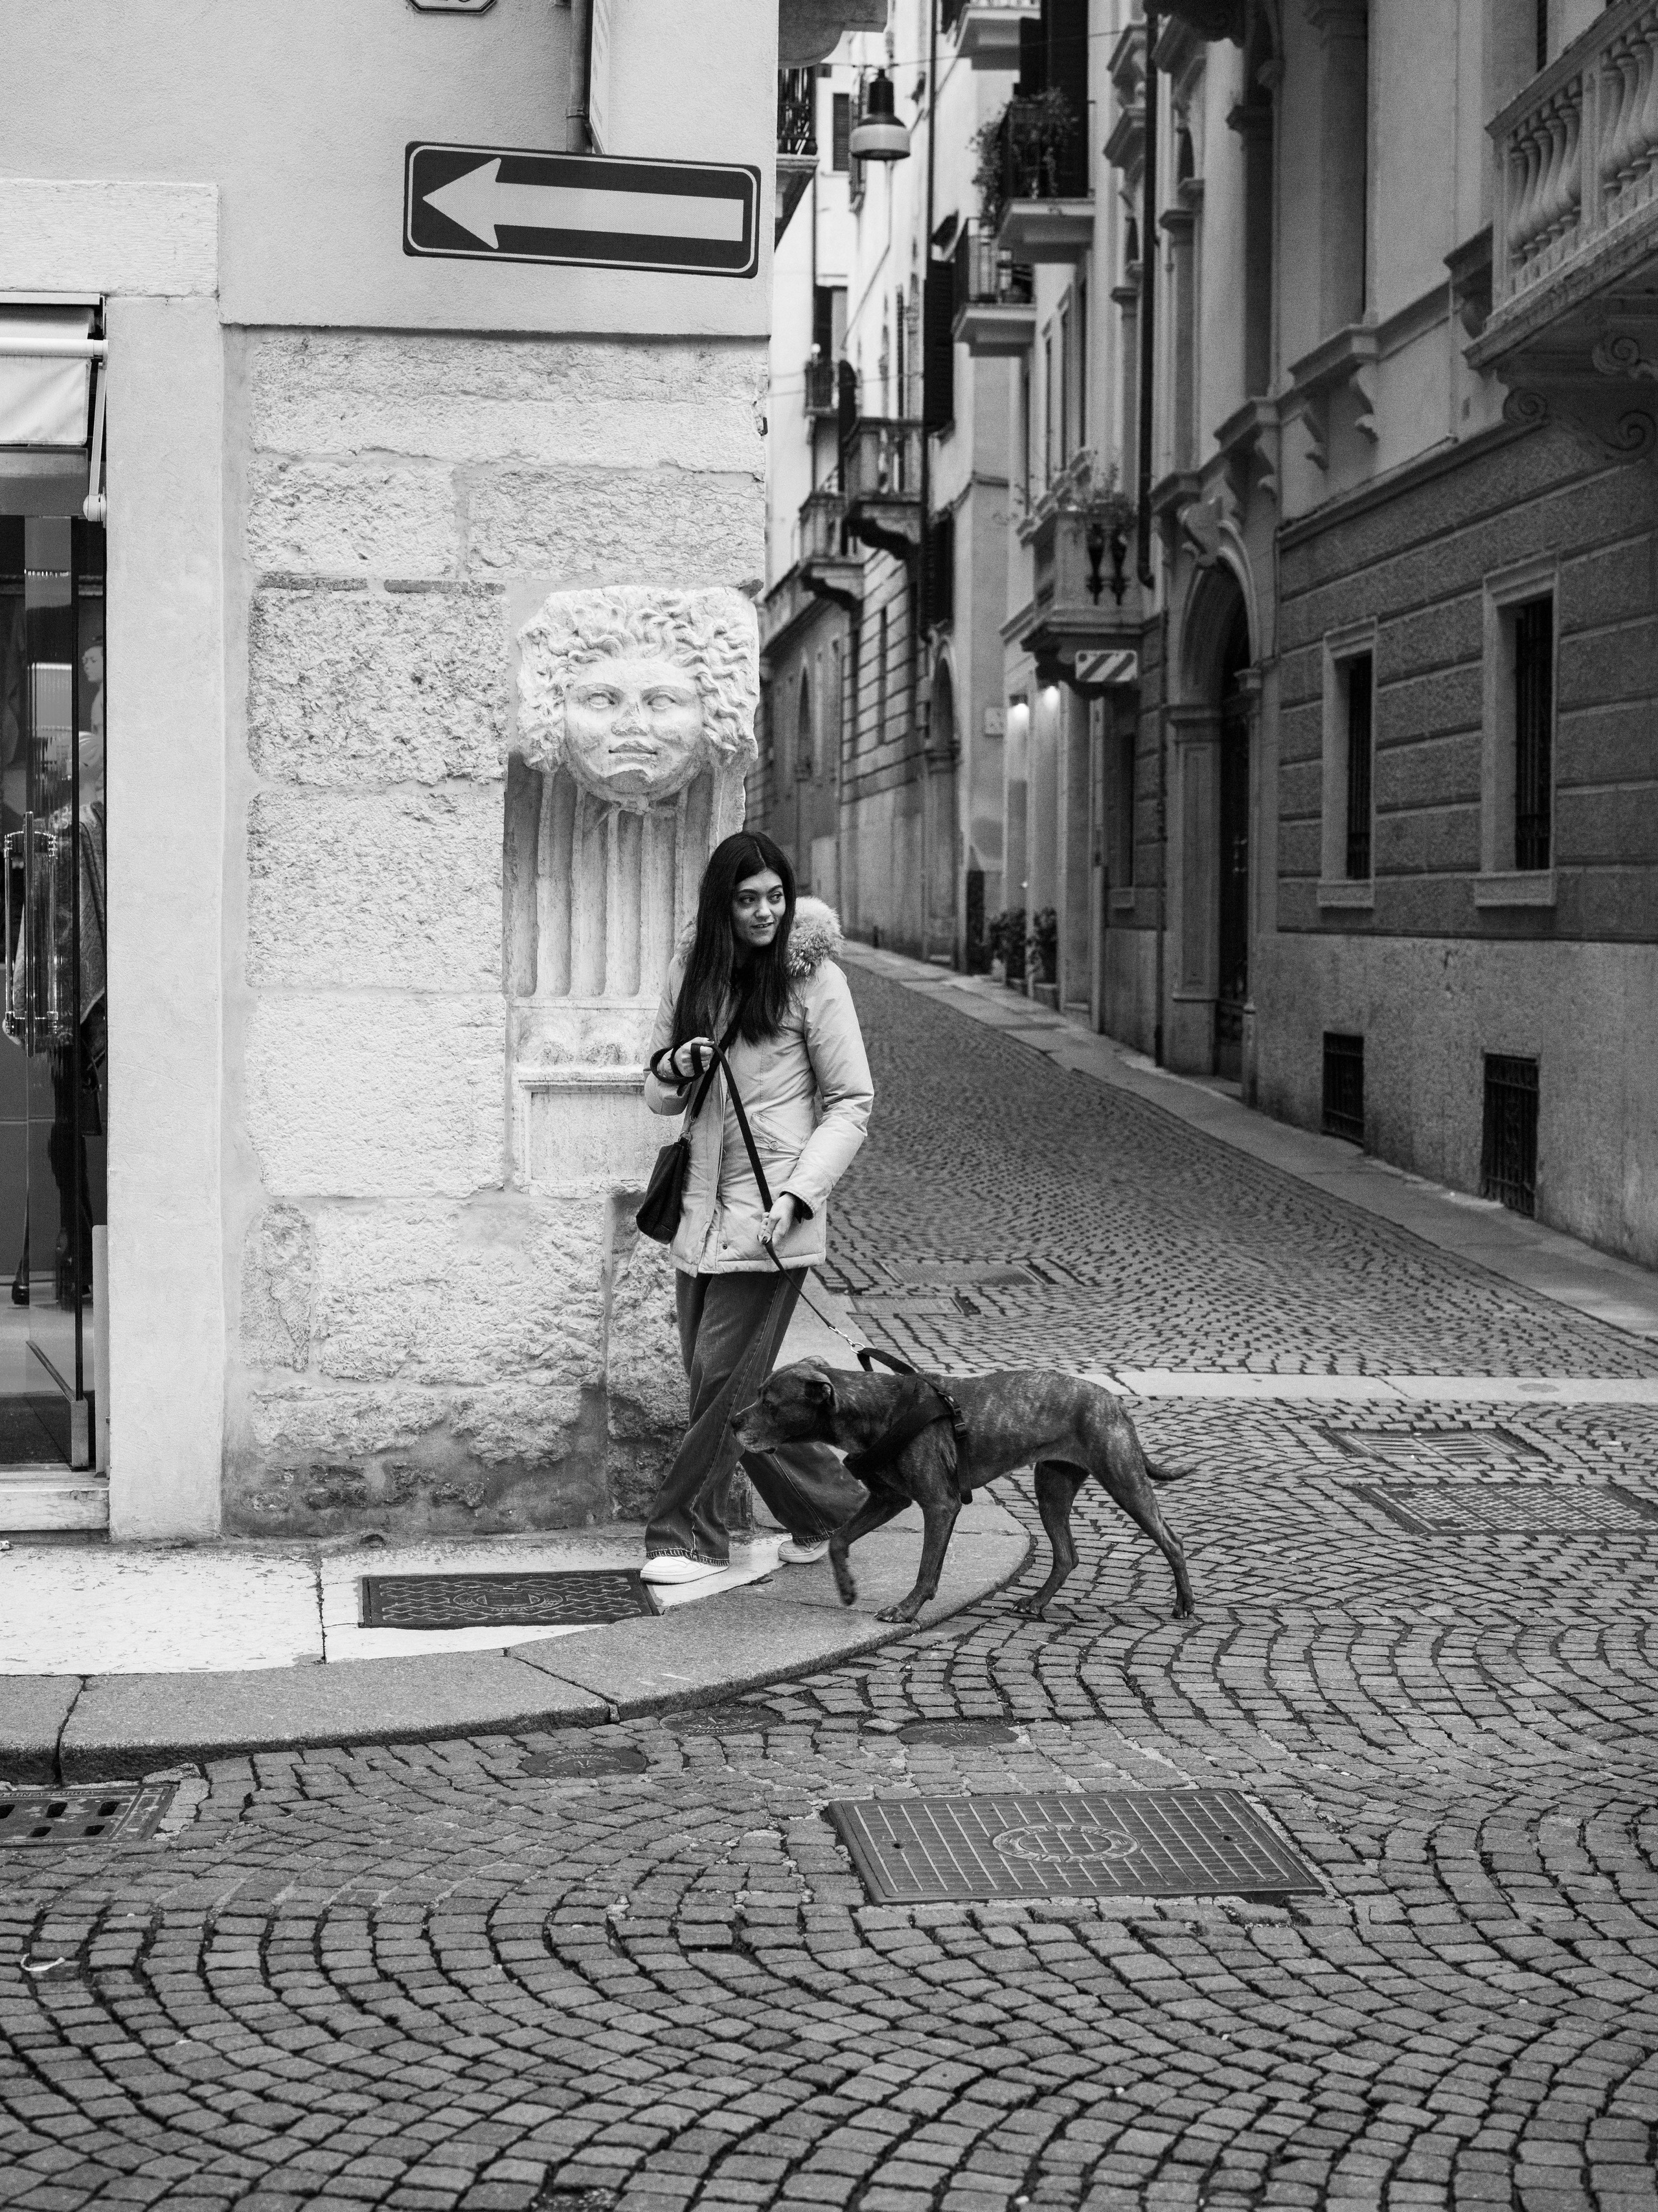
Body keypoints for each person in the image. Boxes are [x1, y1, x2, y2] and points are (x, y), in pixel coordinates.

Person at [639, 830, 873, 1585]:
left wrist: (802, 1193)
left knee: (721, 1384)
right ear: (722, 905)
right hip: (701, 1212)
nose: (764, 911)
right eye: (747, 900)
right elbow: (656, 1090)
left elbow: (850, 1102)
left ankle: (688, 1534)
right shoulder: (694, 969)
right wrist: (675, 1067)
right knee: (721, 1383)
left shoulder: (815, 979)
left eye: (775, 896)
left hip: (773, 1216)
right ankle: (832, 1507)